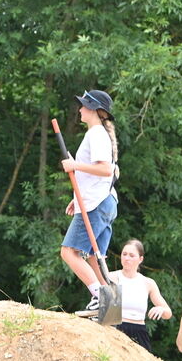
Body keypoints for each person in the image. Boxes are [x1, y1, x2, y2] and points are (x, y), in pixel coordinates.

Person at [59, 89, 119, 313]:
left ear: (93, 109)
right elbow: (98, 175)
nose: (80, 109)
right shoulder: (98, 134)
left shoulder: (95, 134)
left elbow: (105, 169)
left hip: (96, 203)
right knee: (95, 257)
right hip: (102, 201)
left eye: (83, 105)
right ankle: (111, 309)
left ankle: (98, 297)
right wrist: (78, 198)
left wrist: (74, 166)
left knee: (69, 252)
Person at [106, 239, 173, 350]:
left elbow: (168, 313)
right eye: (124, 254)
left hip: (139, 332)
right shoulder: (112, 277)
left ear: (140, 259)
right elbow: (106, 313)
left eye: (132, 255)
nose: (127, 258)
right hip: (116, 329)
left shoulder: (148, 283)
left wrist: (161, 309)